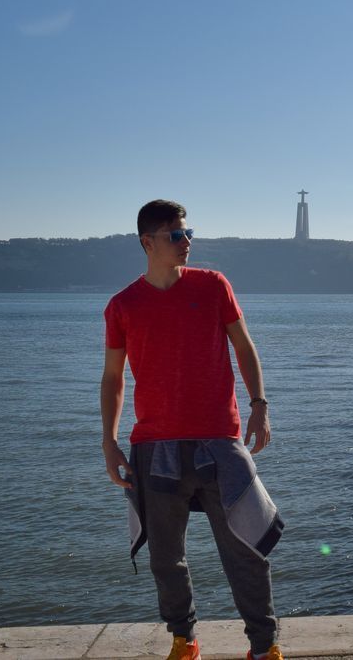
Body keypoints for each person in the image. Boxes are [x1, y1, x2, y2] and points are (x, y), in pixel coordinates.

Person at [101, 200, 285, 660]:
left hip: (219, 440)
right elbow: (112, 378)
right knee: (166, 558)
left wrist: (259, 404)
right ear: (148, 243)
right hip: (154, 446)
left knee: (245, 549)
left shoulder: (213, 285)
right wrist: (109, 441)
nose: (187, 242)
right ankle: (185, 641)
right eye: (176, 236)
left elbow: (244, 346)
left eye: (188, 233)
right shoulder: (122, 305)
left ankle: (265, 648)